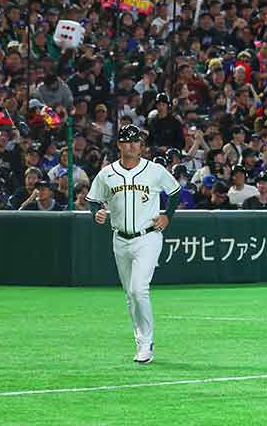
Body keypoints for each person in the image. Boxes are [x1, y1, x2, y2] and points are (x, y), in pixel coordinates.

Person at [85, 124, 181, 365]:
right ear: (119, 144)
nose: (132, 145)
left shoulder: (155, 170)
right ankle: (140, 339)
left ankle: (146, 342)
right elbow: (93, 200)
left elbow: (175, 191)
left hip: (148, 235)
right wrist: (96, 213)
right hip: (119, 238)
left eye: (136, 141)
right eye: (127, 141)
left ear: (141, 145)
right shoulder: (107, 173)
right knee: (130, 294)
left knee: (139, 289)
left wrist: (167, 215)